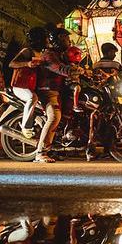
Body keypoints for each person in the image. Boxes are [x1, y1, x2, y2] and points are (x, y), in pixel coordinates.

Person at [35, 28, 81, 163]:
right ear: (59, 38)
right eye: (66, 38)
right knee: (54, 116)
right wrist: (75, 70)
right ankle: (40, 152)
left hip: (59, 91)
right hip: (47, 91)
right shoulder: (49, 55)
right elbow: (60, 68)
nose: (69, 41)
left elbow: (70, 65)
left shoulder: (61, 55)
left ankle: (54, 148)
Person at [8, 27, 47, 139]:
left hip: (32, 86)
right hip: (20, 86)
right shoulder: (27, 51)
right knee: (32, 98)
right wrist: (27, 63)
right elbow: (12, 63)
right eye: (45, 38)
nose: (47, 41)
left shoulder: (42, 54)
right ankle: (26, 127)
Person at [66, 45, 84, 112]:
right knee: (77, 88)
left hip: (75, 82)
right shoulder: (70, 66)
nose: (79, 56)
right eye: (78, 54)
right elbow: (78, 71)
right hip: (70, 83)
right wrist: (83, 71)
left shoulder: (76, 65)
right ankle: (75, 105)